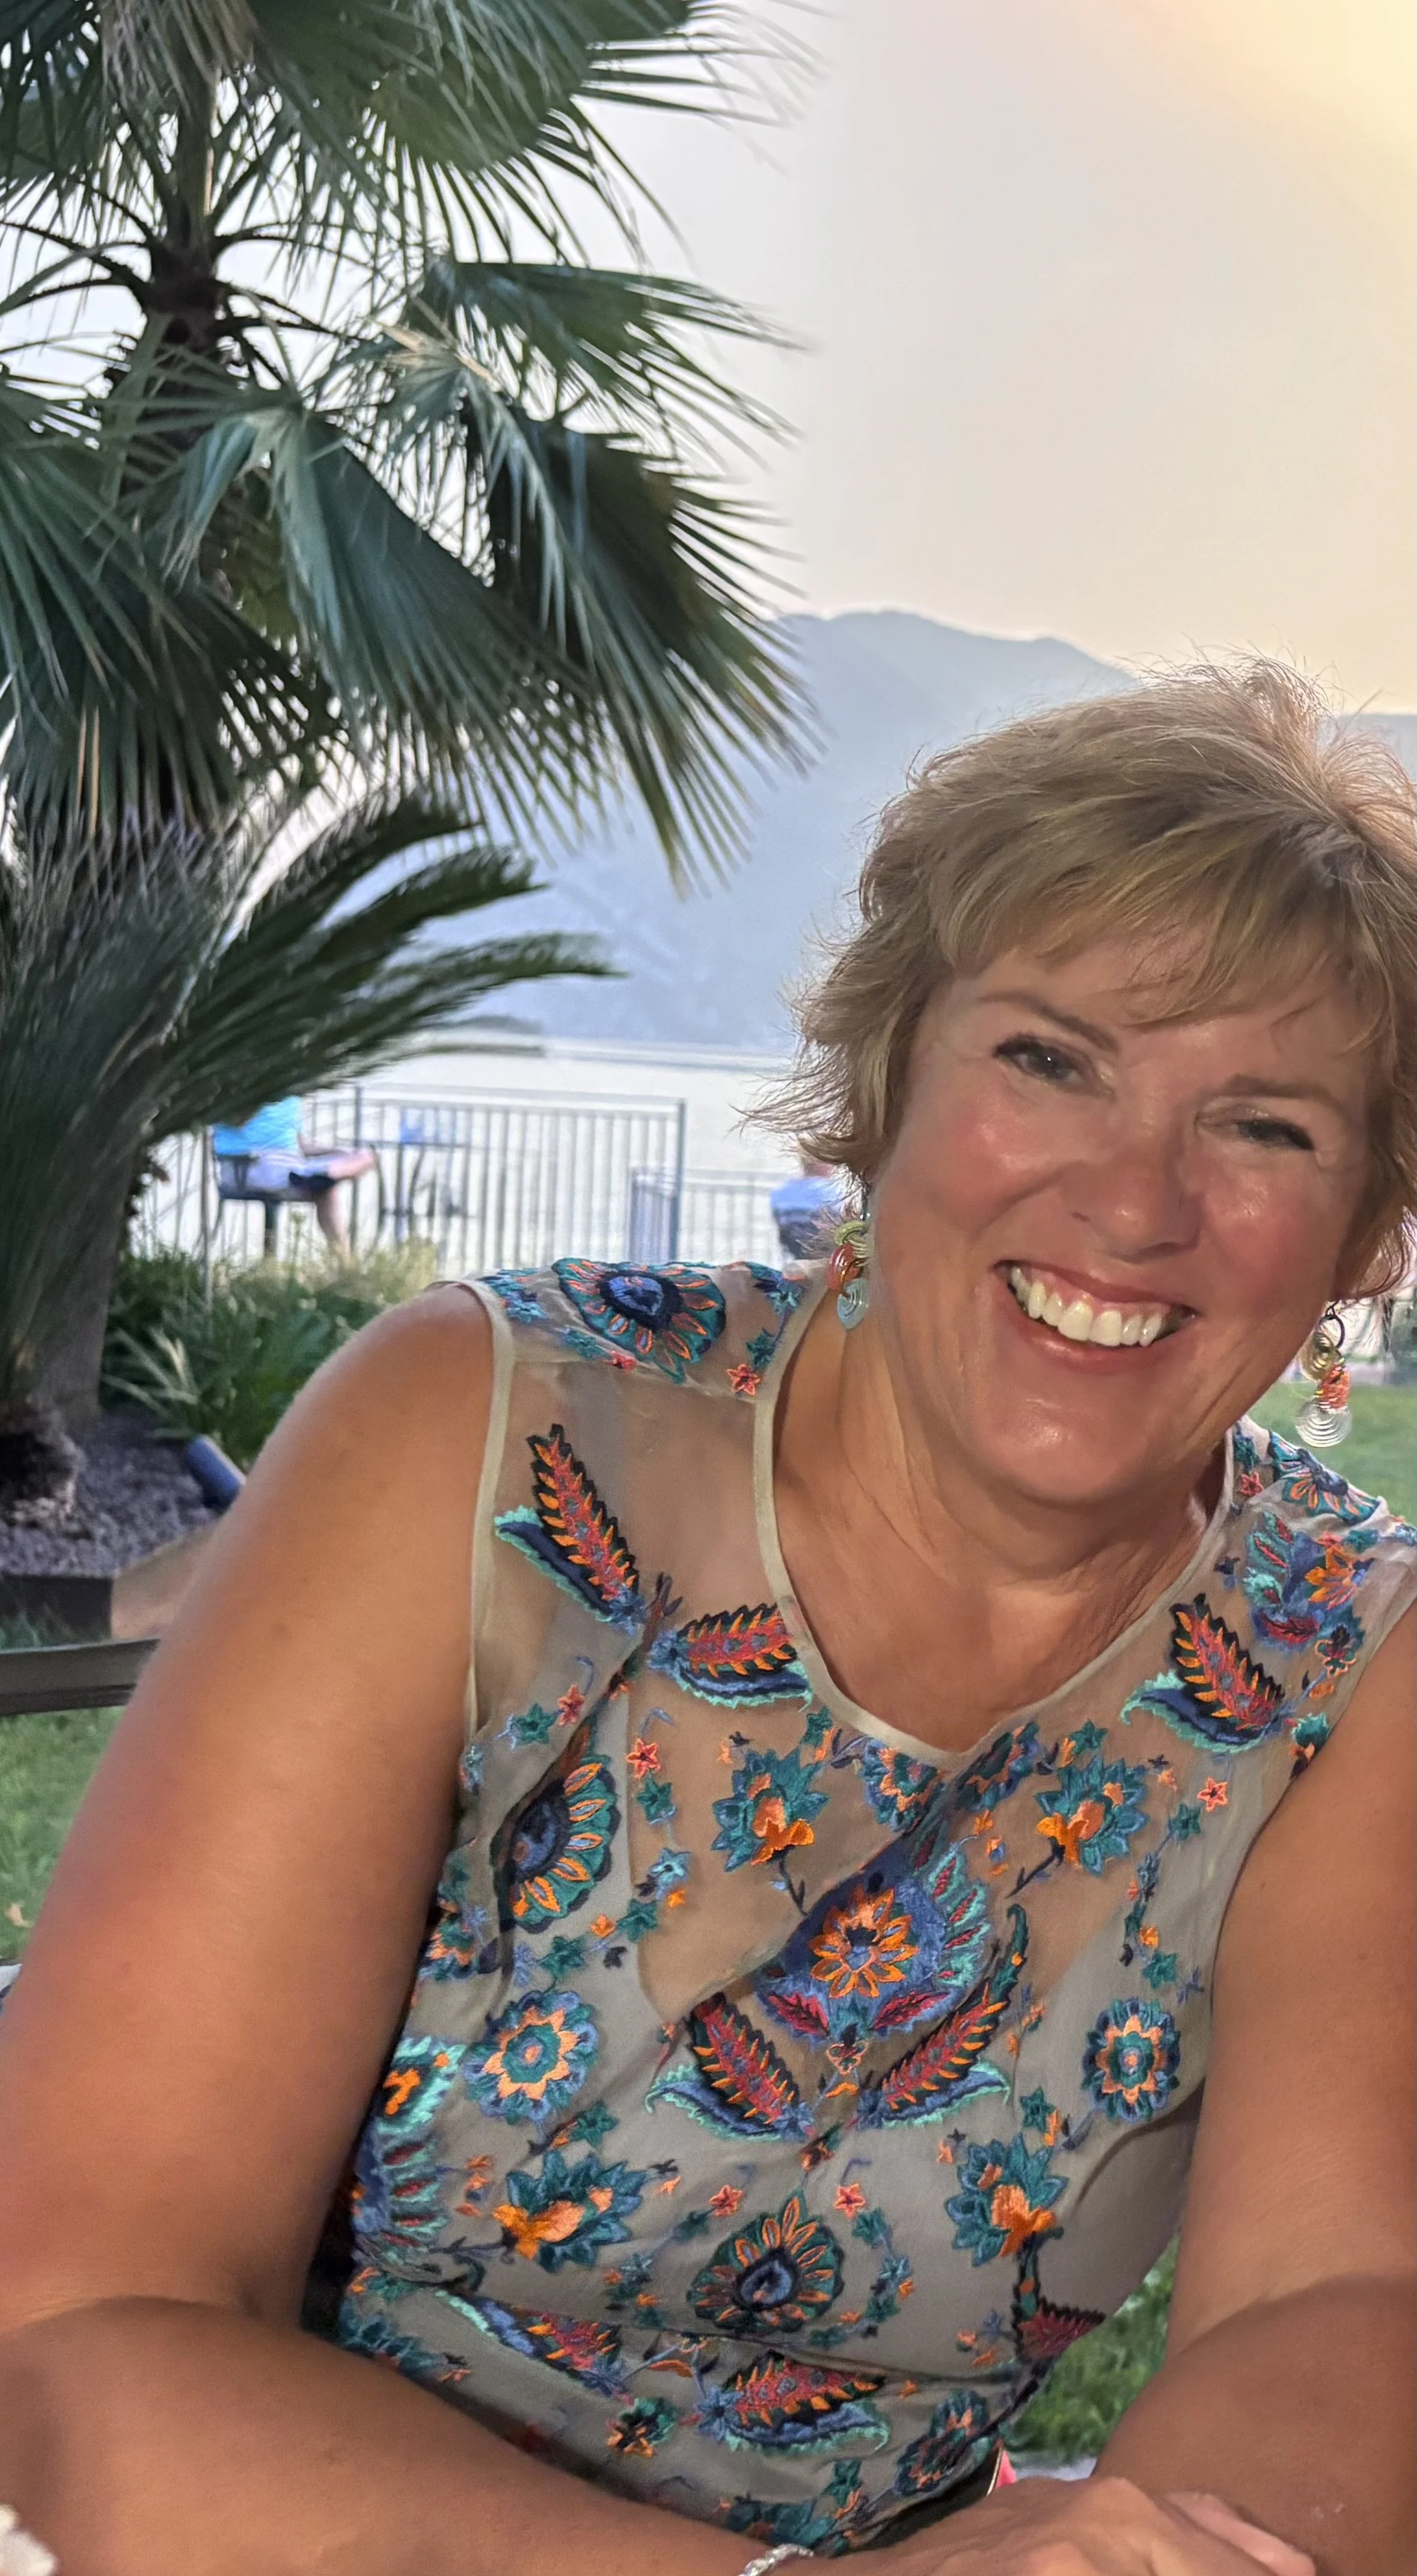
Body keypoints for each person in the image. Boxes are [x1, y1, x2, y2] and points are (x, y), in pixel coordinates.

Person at [0, 666, 1412, 2576]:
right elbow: (80, 2313)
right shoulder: (484, 1437)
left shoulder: (1344, 1658)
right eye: (1047, 1060)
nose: (1131, 1203)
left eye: (1261, 1128)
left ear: (1359, 1243)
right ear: (880, 1081)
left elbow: (1330, 2305)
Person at [212, 1097, 377, 1254]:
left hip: (291, 1167)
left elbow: (302, 1146)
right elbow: (234, 1121)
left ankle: (344, 1269)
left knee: (365, 1158)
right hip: (248, 1166)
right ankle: (321, 1177)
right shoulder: (240, 1086)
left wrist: (337, 1152)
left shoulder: (290, 1097)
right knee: (326, 1190)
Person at [771, 1154, 848, 1260]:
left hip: (791, 1240)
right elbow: (841, 1213)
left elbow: (777, 1214)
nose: (833, 1169)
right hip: (820, 1240)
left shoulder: (784, 1189)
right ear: (819, 1166)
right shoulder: (828, 1189)